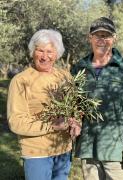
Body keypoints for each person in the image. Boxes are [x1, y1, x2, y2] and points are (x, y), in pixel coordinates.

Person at [71, 17, 123, 180]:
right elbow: (73, 104)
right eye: (98, 35)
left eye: (107, 35)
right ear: (89, 38)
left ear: (114, 39)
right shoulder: (78, 68)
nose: (102, 40)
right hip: (88, 149)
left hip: (116, 149)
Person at [7, 29, 80, 180]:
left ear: (57, 54)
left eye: (50, 51)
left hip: (63, 149)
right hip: (37, 153)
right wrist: (51, 125)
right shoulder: (21, 81)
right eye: (40, 50)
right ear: (33, 51)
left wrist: (76, 123)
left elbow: (75, 108)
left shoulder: (65, 76)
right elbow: (16, 122)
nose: (45, 56)